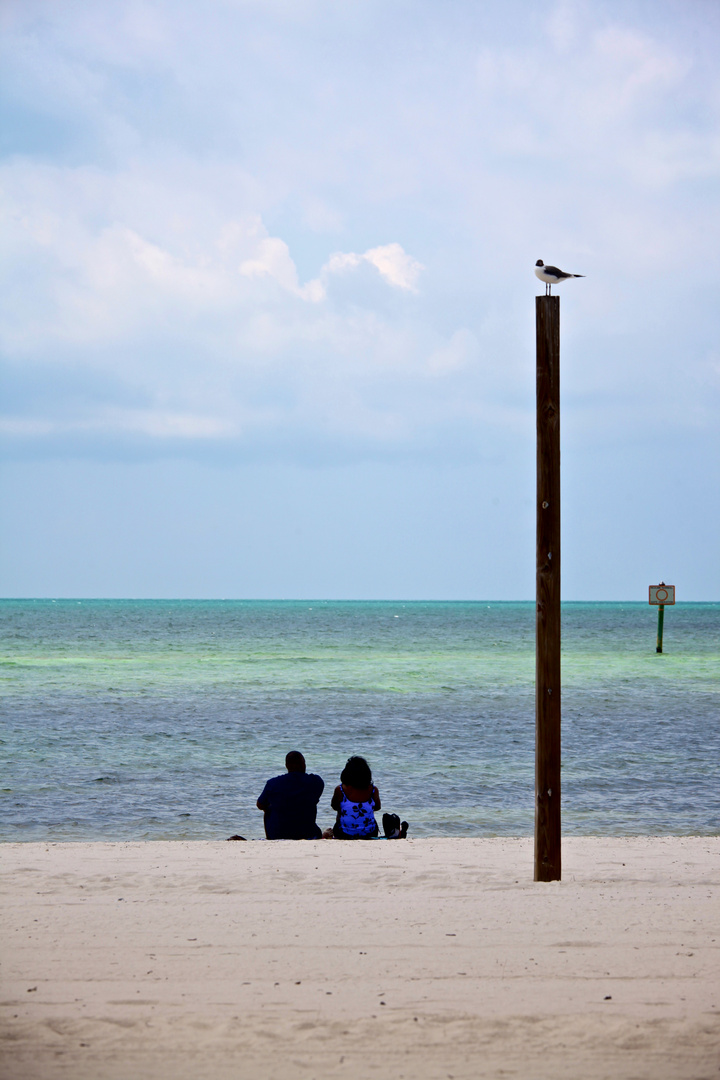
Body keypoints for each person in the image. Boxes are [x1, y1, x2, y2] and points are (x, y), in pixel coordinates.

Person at [256, 751, 324, 840]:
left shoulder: (273, 783)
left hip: (278, 834)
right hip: (307, 833)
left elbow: (260, 805)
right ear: (303, 764)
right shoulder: (316, 781)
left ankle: (270, 837)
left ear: (286, 765)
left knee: (268, 808)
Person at [330, 755, 381, 839]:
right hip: (370, 833)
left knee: (341, 811)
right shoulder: (373, 790)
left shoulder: (340, 790)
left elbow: (334, 806)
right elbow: (377, 807)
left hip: (344, 833)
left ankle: (348, 828)